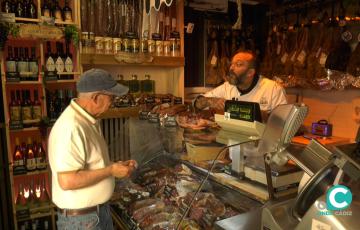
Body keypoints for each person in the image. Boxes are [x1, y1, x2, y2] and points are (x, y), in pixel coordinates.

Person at [48, 68, 137, 230]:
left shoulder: (87, 120)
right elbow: (67, 181)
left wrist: (116, 167)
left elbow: (90, 163)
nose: (113, 102)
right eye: (111, 97)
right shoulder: (71, 127)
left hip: (95, 214)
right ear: (96, 98)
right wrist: (110, 171)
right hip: (82, 222)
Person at [194, 50, 287, 120]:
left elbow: (284, 121)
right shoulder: (227, 87)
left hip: (261, 143)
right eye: (231, 64)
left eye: (238, 64)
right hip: (232, 142)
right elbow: (196, 103)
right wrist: (210, 101)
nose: (231, 68)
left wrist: (258, 114)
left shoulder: (273, 89)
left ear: (250, 72)